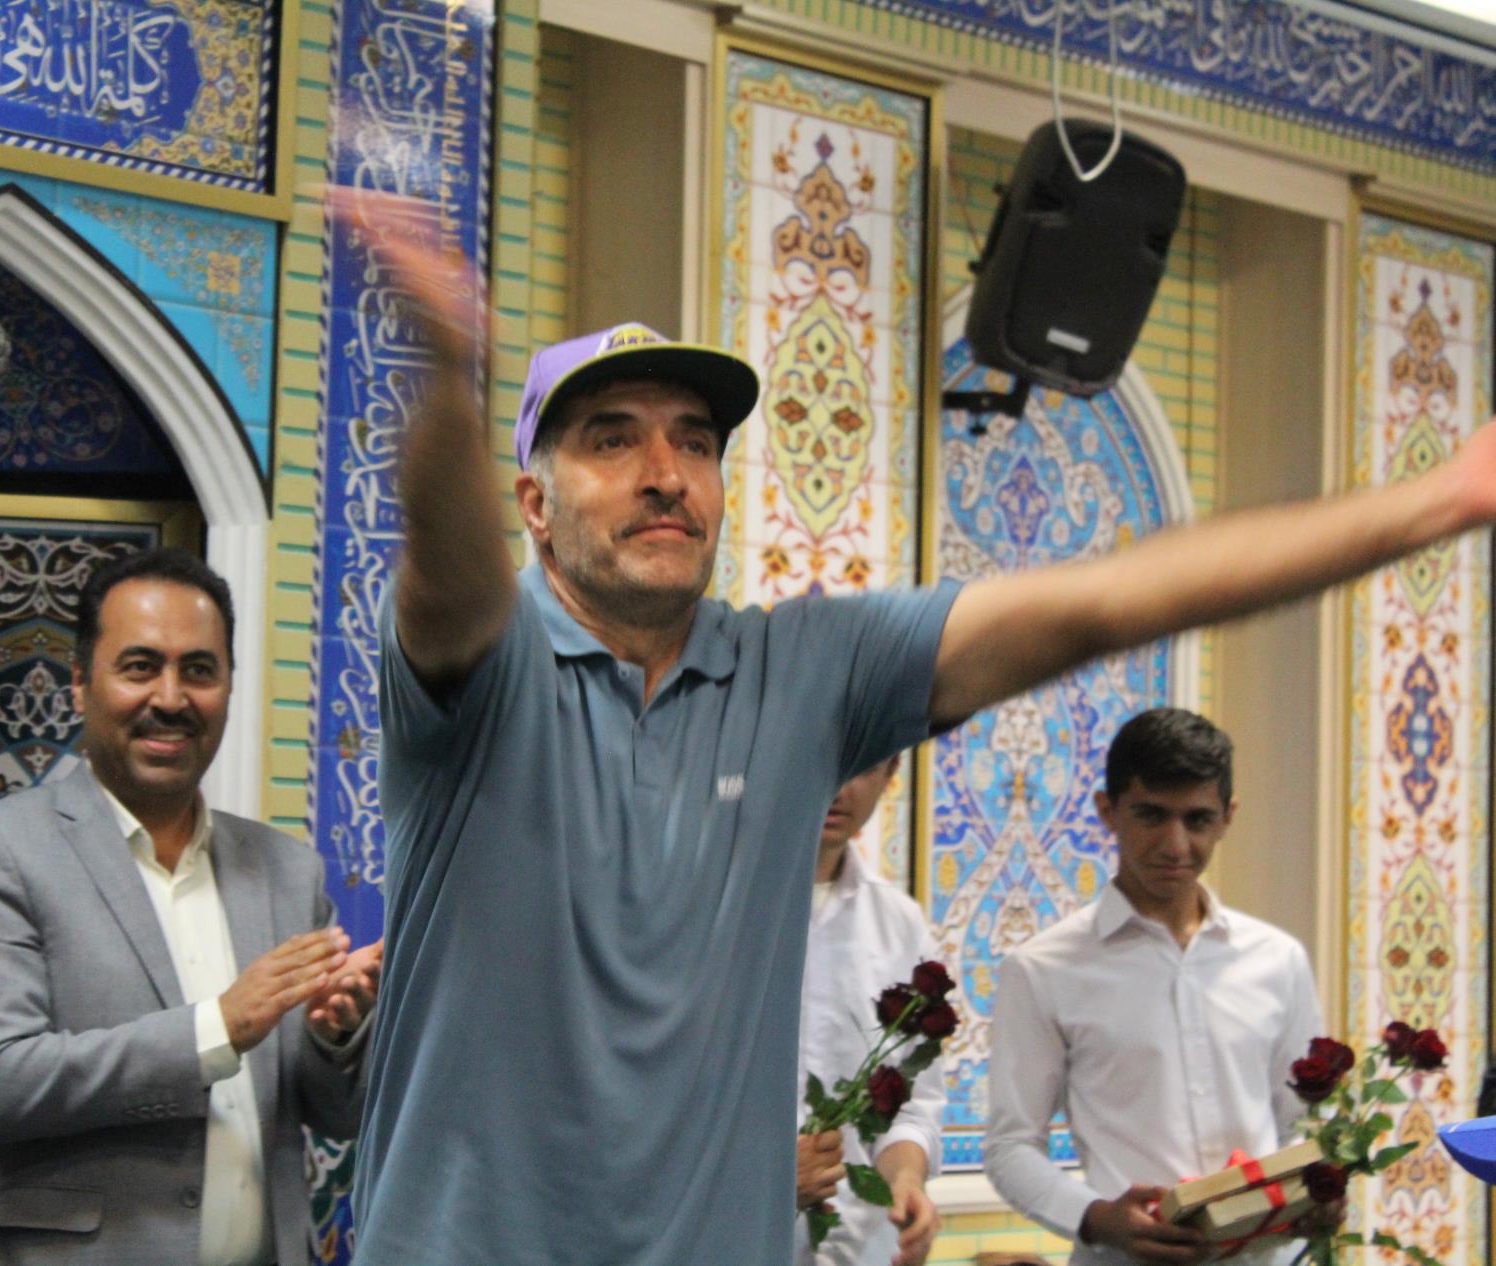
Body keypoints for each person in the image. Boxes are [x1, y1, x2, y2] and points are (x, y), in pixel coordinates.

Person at [334, 188, 1496, 1266]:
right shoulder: (485, 674)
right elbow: (448, 568)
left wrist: (1440, 501)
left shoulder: (799, 669)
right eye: (610, 438)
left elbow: (1104, 601)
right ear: (532, 506)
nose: (664, 472)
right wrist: (445, 375)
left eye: (694, 440)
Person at [0, 548, 378, 1266]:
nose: (171, 698)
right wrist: (219, 1027)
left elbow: (338, 1114)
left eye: (199, 670)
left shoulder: (287, 870)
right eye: (140, 667)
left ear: (229, 686)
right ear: (80, 683)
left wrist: (336, 1033)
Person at [984, 709, 1323, 1266]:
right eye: (1151, 815)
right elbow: (1010, 1146)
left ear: (1228, 817)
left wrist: (1319, 1188)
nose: (1175, 844)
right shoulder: (1043, 968)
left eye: (1198, 819)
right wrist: (1096, 1217)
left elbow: (1307, 1122)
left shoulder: (1277, 960)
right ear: (1107, 811)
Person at [797, 756, 943, 1266]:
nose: (838, 787)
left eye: (861, 766)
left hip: (865, 1252)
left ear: (892, 769)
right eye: (824, 758)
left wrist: (907, 1180)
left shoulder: (900, 923)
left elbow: (912, 1104)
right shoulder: (707, 908)